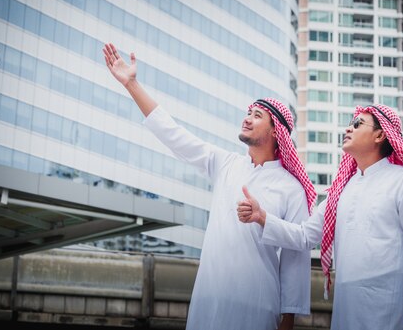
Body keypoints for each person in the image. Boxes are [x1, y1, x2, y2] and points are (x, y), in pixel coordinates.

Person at [102, 43, 317, 330]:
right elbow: (173, 134)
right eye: (248, 112)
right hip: (207, 301)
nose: (247, 117)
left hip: (256, 305)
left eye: (256, 115)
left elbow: (295, 259)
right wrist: (132, 84)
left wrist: (287, 320)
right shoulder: (225, 163)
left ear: (276, 131)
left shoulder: (291, 188)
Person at [238, 104, 403, 330]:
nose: (348, 129)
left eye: (357, 124)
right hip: (347, 308)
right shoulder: (341, 191)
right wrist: (262, 217)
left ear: (380, 134)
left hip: (391, 306)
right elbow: (305, 236)